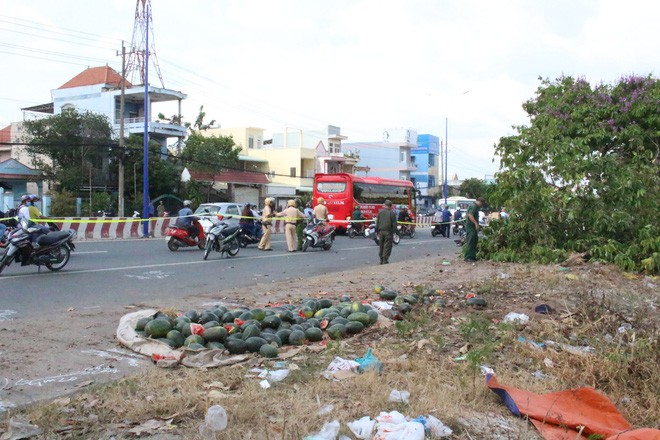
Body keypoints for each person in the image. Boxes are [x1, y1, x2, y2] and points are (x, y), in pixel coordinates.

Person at [375, 200, 397, 265]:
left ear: (385, 205)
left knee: (381, 245)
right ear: (390, 206)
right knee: (387, 246)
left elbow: (377, 223)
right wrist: (394, 232)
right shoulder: (392, 213)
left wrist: (377, 231)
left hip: (380, 232)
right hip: (388, 232)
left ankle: (381, 259)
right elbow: (394, 224)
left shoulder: (380, 212)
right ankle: (385, 259)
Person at [464, 198, 485, 262]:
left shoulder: (475, 206)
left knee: (474, 241)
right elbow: (470, 215)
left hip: (472, 227)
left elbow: (467, 215)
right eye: (482, 203)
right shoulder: (473, 206)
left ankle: (472, 256)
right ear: (479, 202)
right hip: (471, 227)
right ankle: (468, 257)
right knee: (471, 241)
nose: (481, 205)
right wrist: (476, 223)